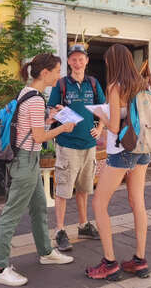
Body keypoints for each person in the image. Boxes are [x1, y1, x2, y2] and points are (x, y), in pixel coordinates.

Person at [0, 53, 75, 287]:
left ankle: (46, 252)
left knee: (39, 209)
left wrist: (50, 119)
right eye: (58, 71)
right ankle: (0, 267)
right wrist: (63, 128)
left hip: (27, 160)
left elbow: (29, 128)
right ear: (45, 73)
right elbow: (39, 136)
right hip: (26, 163)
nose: (59, 76)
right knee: (10, 216)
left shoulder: (28, 93)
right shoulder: (36, 99)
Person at [85, 44, 150, 281]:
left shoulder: (115, 87)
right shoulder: (143, 84)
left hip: (121, 151)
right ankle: (140, 261)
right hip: (142, 149)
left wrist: (100, 114)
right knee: (137, 202)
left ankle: (110, 262)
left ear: (113, 62)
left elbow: (113, 127)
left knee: (99, 203)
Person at [48, 44, 106, 251]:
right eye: (73, 59)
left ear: (86, 61)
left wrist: (100, 128)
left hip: (89, 145)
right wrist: (58, 110)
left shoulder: (93, 83)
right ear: (69, 62)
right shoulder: (61, 84)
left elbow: (103, 109)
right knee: (64, 189)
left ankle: (83, 225)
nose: (77, 62)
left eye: (81, 58)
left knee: (84, 188)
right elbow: (52, 109)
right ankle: (60, 230)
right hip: (67, 145)